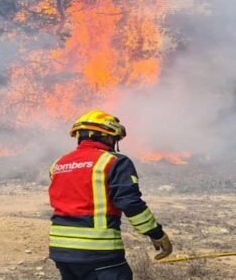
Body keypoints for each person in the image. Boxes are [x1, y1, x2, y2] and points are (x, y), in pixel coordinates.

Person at [48, 110, 173, 279]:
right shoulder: (114, 161)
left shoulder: (59, 164)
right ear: (107, 136)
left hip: (61, 251)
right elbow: (130, 203)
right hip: (99, 252)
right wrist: (156, 233)